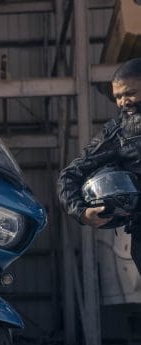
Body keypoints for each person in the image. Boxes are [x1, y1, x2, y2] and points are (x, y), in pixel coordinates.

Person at [58, 58, 141, 271]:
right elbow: (69, 175)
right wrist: (82, 213)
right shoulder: (117, 134)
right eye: (118, 97)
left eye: (130, 93)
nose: (123, 102)